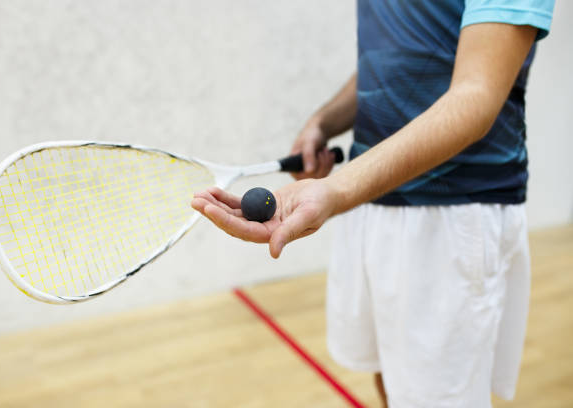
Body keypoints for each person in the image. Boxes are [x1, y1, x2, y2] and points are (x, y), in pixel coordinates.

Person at [191, 1, 555, 406]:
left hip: (452, 213)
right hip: (368, 197)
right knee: (389, 381)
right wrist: (325, 121)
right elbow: (404, 53)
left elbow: (477, 96)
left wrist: (335, 189)